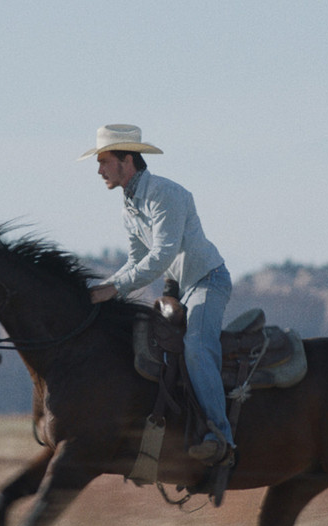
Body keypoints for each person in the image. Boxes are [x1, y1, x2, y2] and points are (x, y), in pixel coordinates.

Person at [78, 124, 234, 465]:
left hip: (208, 281)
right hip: (178, 286)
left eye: (104, 160)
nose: (99, 169)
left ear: (127, 160)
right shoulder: (128, 207)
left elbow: (162, 255)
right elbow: (136, 261)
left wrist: (113, 289)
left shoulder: (165, 194)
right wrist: (99, 289)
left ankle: (220, 437)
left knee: (195, 346)